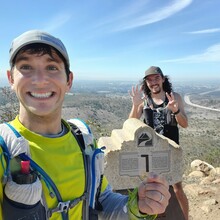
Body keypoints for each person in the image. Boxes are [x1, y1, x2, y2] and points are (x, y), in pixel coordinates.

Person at [0, 30, 171, 220]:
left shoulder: (83, 139)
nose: (40, 80)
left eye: (51, 67)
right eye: (26, 67)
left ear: (69, 80)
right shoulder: (4, 151)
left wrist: (138, 207)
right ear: (11, 79)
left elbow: (102, 201)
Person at [129, 66, 189, 220]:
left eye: (156, 78)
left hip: (171, 151)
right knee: (152, 188)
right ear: (146, 83)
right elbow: (130, 124)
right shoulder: (144, 100)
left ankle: (186, 217)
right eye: (149, 80)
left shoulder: (174, 97)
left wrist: (175, 111)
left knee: (177, 189)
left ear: (163, 79)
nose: (153, 82)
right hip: (149, 153)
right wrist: (135, 105)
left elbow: (184, 124)